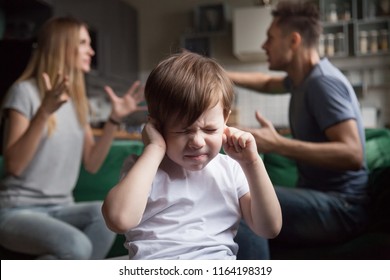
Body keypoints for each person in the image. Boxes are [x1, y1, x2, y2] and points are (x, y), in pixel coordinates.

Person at [101, 51, 282, 260]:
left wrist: (252, 162)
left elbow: (269, 228)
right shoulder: (144, 169)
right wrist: (154, 149)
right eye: (183, 130)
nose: (197, 141)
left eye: (210, 130)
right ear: (157, 126)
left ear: (225, 119)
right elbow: (118, 220)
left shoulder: (231, 169)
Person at [227, 0, 370, 259]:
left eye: (270, 38)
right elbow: (267, 82)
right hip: (325, 199)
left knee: (244, 204)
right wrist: (217, 73)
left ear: (294, 41)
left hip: (343, 207)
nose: (264, 46)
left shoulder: (322, 83)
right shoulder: (301, 80)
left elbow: (353, 154)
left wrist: (277, 144)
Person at [0, 16, 146, 259]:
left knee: (105, 216)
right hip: (16, 210)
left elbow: (92, 162)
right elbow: (14, 165)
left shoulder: (78, 101)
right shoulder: (24, 92)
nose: (91, 50)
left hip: (62, 207)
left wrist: (113, 120)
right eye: (83, 43)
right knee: (77, 245)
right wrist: (44, 112)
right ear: (62, 46)